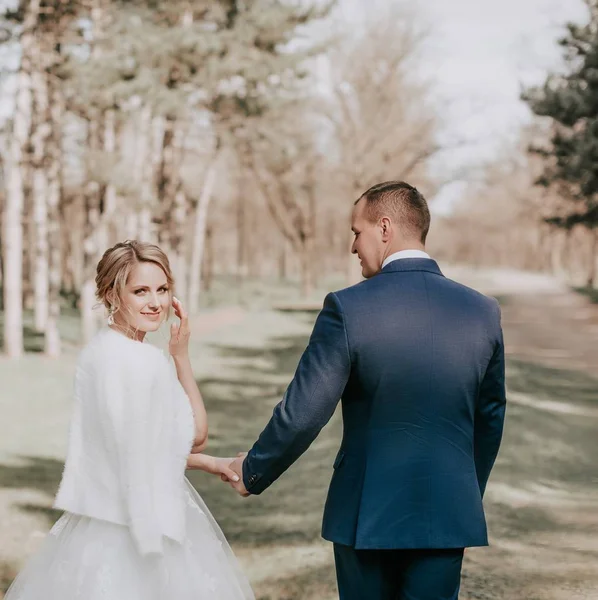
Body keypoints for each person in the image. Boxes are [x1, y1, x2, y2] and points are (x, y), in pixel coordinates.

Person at [226, 181, 507, 600]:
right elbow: (490, 418)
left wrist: (253, 470)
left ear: (385, 227)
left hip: (366, 514)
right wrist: (462, 490)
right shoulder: (483, 311)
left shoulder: (347, 308)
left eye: (357, 231)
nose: (353, 246)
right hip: (447, 511)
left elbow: (304, 412)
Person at [5, 240, 255, 600]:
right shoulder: (122, 359)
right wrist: (208, 461)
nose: (155, 303)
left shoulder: (127, 353)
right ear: (112, 294)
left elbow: (190, 436)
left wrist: (179, 356)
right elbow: (182, 442)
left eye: (162, 289)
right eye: (140, 291)